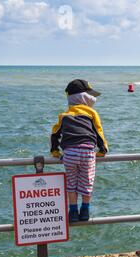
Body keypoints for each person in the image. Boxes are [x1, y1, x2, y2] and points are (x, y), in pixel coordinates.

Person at [50, 79, 108, 223]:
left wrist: (55, 152)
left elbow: (55, 134)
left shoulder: (64, 115)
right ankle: (85, 210)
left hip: (69, 153)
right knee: (87, 181)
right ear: (84, 97)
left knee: (71, 183)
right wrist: (102, 150)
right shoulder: (91, 113)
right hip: (88, 152)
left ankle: (73, 212)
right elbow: (98, 132)